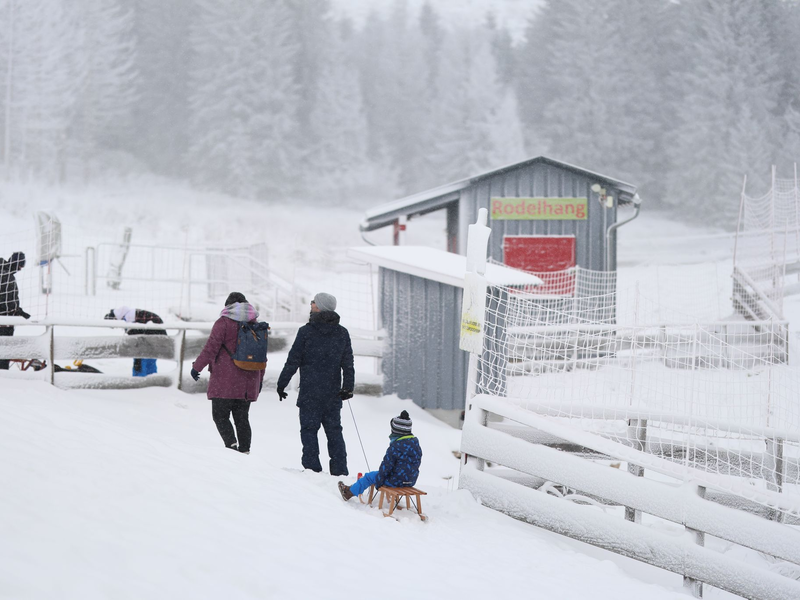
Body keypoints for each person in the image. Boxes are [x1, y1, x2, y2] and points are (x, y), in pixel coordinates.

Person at [277, 292, 354, 476]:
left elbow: (293, 360)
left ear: (319, 307)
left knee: (309, 431)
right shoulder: (342, 333)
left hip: (310, 392)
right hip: (332, 393)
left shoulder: (306, 332)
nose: (311, 304)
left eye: (314, 302)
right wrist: (348, 387)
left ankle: (312, 470)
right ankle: (340, 471)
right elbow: (348, 363)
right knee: (334, 432)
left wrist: (282, 383)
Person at [191, 292, 264, 454]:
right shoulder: (256, 325)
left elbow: (211, 348)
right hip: (248, 380)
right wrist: (260, 381)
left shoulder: (223, 323)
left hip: (225, 379)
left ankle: (231, 447)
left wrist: (197, 367)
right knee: (242, 418)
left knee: (220, 416)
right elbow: (261, 356)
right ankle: (245, 451)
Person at [338, 410, 422, 501]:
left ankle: (348, 492)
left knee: (369, 476)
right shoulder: (416, 445)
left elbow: (386, 466)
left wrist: (379, 481)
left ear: (395, 431)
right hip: (411, 481)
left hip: (395, 481)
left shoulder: (395, 447)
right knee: (384, 474)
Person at [104, 306, 167, 376]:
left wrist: (137, 360)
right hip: (155, 336)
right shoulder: (131, 316)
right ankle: (150, 381)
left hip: (152, 337)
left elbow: (137, 343)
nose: (115, 327)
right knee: (149, 360)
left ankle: (141, 381)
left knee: (143, 361)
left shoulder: (130, 322)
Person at [0, 252, 31, 370]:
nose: (20, 269)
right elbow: (6, 301)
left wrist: (19, 311)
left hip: (5, 319)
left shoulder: (5, 272)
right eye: (20, 266)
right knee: (4, 351)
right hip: (4, 323)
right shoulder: (6, 276)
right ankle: (4, 376)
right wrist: (16, 311)